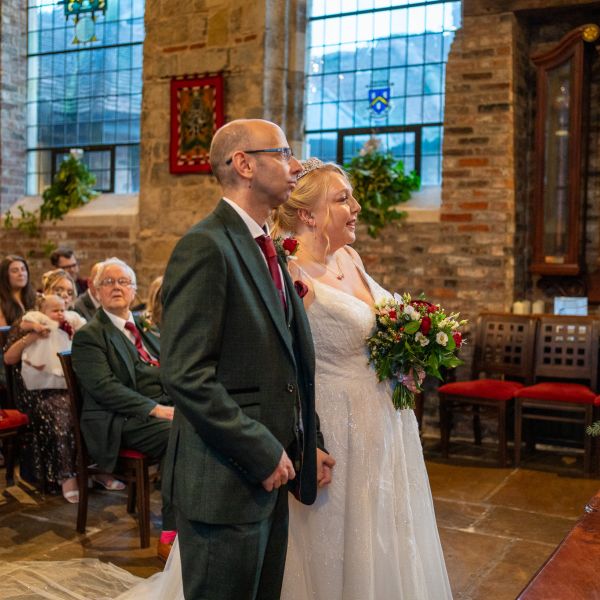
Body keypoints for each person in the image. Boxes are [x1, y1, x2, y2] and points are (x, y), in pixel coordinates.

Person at [159, 119, 333, 600]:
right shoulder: (206, 246)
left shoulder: (265, 245)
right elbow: (186, 375)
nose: (295, 165)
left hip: (268, 475)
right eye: (282, 153)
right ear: (245, 164)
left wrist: (306, 441)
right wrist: (261, 450)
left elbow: (287, 363)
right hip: (226, 480)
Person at [272, 158, 452, 599]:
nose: (356, 207)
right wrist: (302, 438)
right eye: (342, 199)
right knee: (335, 529)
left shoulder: (349, 256)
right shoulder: (290, 273)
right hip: (335, 417)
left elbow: (376, 325)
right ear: (307, 215)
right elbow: (284, 363)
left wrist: (407, 354)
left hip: (384, 419)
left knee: (384, 523)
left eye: (351, 196)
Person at [71, 257, 175, 560]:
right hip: (117, 420)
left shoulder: (145, 326)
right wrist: (155, 409)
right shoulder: (91, 335)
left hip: (158, 409)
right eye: (109, 282)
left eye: (123, 282)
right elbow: (104, 389)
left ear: (134, 291)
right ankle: (172, 530)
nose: (116, 287)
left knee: (205, 422)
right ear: (96, 291)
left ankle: (201, 512)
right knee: (178, 435)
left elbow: (168, 366)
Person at [20, 294, 85, 391]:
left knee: (62, 373)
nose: (60, 313)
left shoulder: (67, 318)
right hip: (42, 352)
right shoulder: (39, 316)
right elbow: (23, 324)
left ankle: (64, 388)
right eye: (55, 311)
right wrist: (34, 326)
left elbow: (82, 323)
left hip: (60, 350)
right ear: (43, 311)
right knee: (41, 372)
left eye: (62, 310)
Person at [0, 255, 37, 327]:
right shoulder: (1, 303)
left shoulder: (36, 298)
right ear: (5, 275)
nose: (21, 274)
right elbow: (4, 335)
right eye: (15, 271)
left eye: (23, 269)